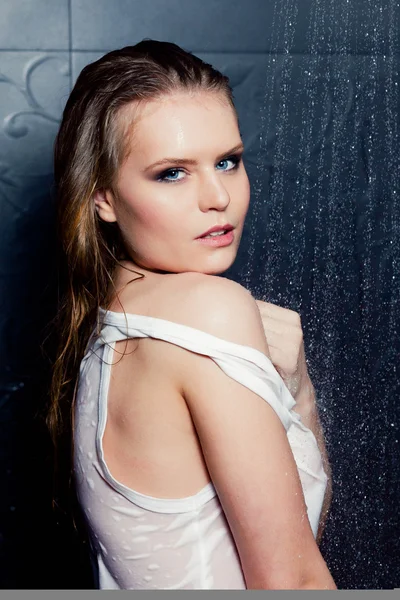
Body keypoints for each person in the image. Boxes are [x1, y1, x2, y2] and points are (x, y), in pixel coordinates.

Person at [47, 39, 336, 590]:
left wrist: (293, 387)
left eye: (227, 161)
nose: (218, 197)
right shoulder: (209, 311)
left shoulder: (111, 322)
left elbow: (292, 541)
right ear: (103, 197)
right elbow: (294, 579)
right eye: (172, 173)